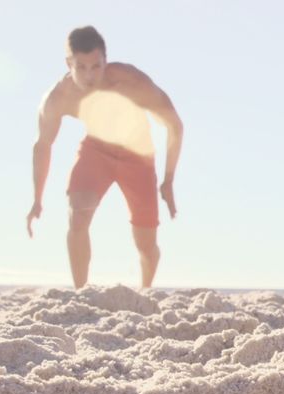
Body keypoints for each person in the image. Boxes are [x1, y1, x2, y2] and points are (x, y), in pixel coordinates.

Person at [26, 26, 183, 289]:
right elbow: (43, 146)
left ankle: (145, 290)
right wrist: (37, 199)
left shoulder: (130, 82)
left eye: (96, 66)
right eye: (81, 67)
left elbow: (174, 125)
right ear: (69, 64)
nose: (89, 75)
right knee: (78, 213)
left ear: (105, 61)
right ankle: (80, 293)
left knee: (146, 243)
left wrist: (168, 180)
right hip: (96, 150)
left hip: (138, 156)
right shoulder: (58, 98)